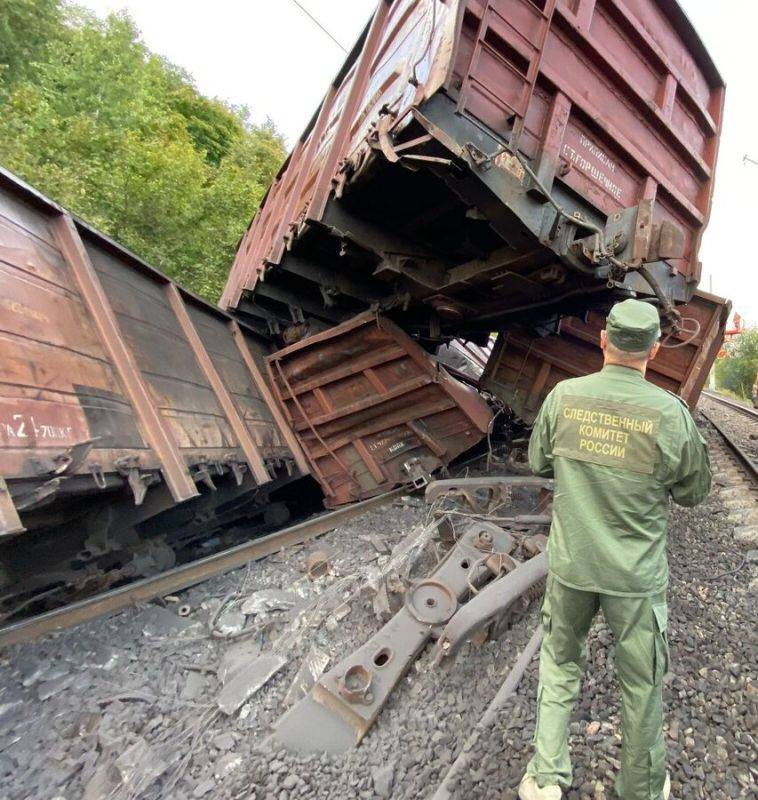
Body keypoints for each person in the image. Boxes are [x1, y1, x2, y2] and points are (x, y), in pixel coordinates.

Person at [518, 299, 712, 800]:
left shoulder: (564, 397)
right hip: (636, 580)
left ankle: (545, 778)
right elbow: (693, 493)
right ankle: (642, 789)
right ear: (654, 348)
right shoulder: (671, 414)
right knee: (642, 685)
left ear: (603, 341)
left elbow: (539, 462)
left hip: (572, 566)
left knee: (560, 664)